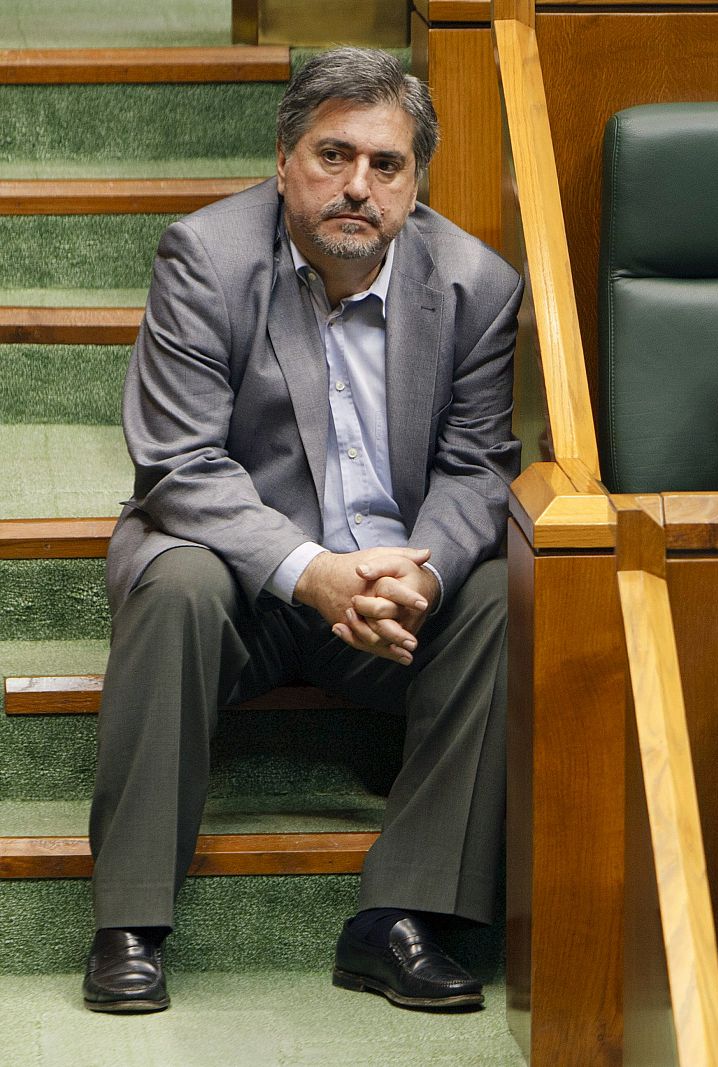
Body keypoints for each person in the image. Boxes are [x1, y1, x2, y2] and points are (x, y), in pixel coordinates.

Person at [82, 48, 522, 1014]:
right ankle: (130, 920)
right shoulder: (206, 255)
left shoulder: (476, 286)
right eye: (333, 155)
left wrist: (425, 575)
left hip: (389, 595)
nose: (359, 186)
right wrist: (312, 570)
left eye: (387, 165)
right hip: (243, 582)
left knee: (501, 588)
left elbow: (477, 466)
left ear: (416, 181)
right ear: (283, 158)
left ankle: (398, 914)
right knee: (177, 578)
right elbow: (179, 461)